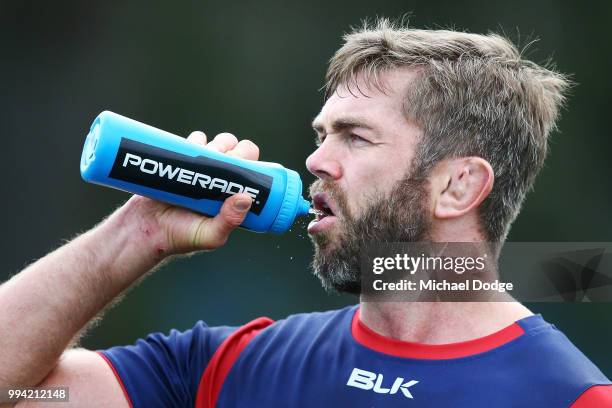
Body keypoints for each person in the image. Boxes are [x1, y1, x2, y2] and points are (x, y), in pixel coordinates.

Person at [1, 19, 610, 408]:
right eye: (321, 134)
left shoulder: (566, 396)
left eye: (355, 137)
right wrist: (136, 232)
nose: (316, 159)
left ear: (457, 185)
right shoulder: (228, 366)